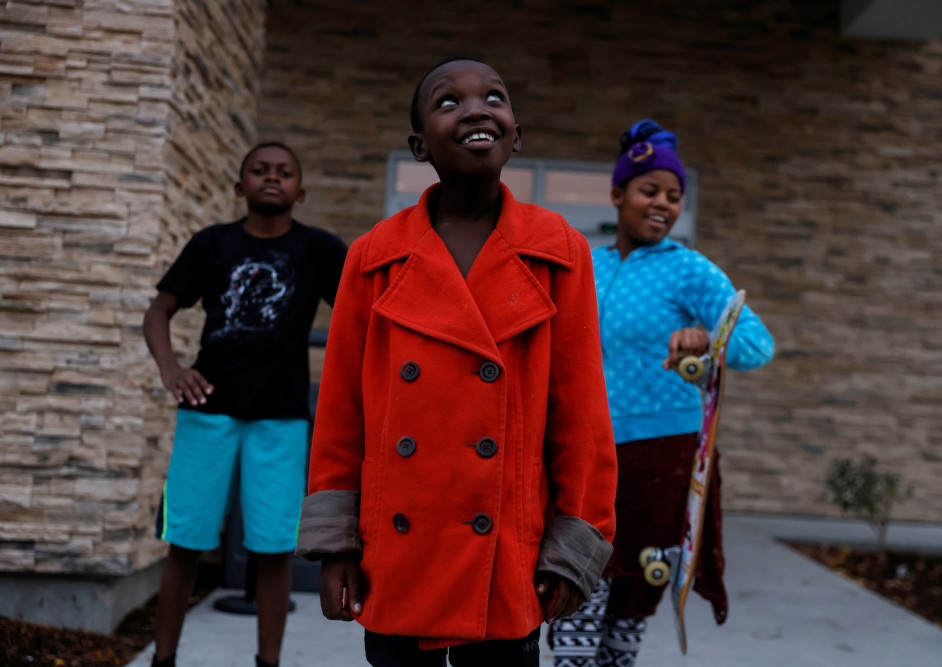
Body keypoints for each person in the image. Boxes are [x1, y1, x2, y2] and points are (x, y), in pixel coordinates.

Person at [294, 56, 618, 667]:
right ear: (419, 146)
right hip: (398, 552)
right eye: (448, 101)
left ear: (515, 134)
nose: (475, 108)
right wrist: (336, 546)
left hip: (505, 554)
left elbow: (580, 413)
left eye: (493, 97)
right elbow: (341, 414)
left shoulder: (560, 252)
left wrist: (574, 545)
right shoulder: (373, 256)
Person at [550, 120, 775, 666]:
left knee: (630, 606)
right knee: (575, 587)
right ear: (617, 195)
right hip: (585, 454)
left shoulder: (689, 270)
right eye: (649, 191)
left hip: (661, 458)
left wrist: (709, 340)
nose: (663, 205)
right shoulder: (584, 266)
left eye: (674, 196)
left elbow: (756, 343)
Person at [143, 142, 348, 667]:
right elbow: (158, 310)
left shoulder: (320, 250)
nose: (272, 178)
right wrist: (171, 369)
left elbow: (362, 311)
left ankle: (268, 663)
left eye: (284, 173)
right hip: (207, 410)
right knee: (185, 542)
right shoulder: (213, 243)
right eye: (259, 171)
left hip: (280, 419)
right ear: (240, 187)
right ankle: (163, 660)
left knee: (274, 547)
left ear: (300, 192)